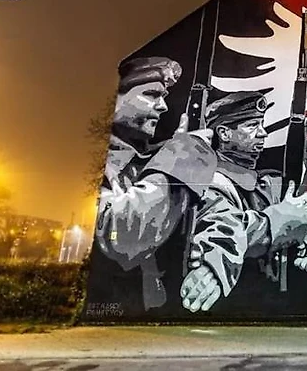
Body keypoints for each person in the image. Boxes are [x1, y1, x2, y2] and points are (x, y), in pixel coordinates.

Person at [87, 56, 218, 314]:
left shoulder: (156, 159)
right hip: (118, 309)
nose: (164, 106)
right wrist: (184, 155)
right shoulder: (95, 161)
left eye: (163, 96)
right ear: (114, 99)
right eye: (151, 95)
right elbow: (124, 238)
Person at [180, 91, 307, 315]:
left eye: (261, 124)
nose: (263, 133)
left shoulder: (270, 184)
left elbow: (304, 227)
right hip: (234, 307)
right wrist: (280, 221)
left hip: (277, 306)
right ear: (224, 133)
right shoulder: (210, 181)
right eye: (252, 126)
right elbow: (225, 227)